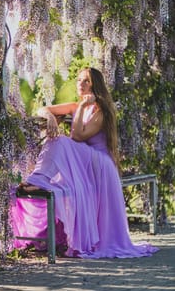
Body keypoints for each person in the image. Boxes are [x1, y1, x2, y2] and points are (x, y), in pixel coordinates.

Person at [11, 67, 159, 258]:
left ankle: (38, 179)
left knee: (61, 140)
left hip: (99, 164)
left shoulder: (102, 110)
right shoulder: (75, 105)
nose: (80, 84)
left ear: (95, 85)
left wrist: (80, 108)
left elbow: (78, 136)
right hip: (84, 160)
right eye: (79, 80)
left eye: (86, 81)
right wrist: (51, 119)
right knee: (56, 139)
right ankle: (39, 180)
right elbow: (43, 109)